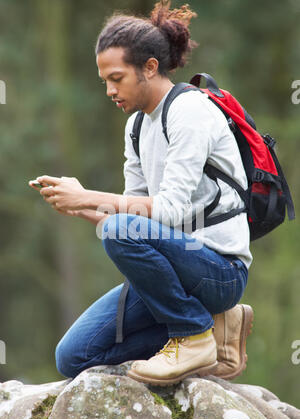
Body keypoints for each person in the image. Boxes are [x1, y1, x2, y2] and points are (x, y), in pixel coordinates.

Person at [29, 0, 253, 386]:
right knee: (74, 357)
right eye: (104, 81)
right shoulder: (136, 126)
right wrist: (80, 207)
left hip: (218, 270)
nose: (109, 90)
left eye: (116, 78)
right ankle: (214, 330)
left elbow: (164, 211)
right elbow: (135, 218)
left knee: (118, 230)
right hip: (173, 268)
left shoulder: (190, 112)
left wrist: (88, 196)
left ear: (150, 67)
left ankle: (193, 334)